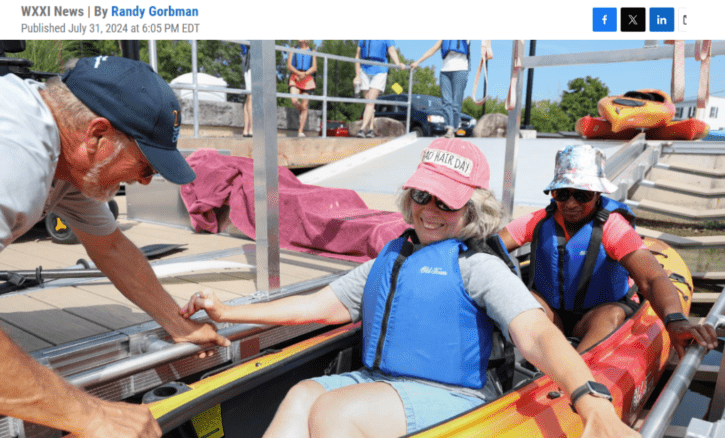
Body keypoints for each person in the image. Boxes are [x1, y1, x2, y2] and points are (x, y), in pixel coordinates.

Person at [181, 139, 643, 438]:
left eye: (448, 201)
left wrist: (589, 399)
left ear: (472, 208)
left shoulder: (477, 266)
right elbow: (320, 304)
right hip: (384, 381)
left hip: (452, 392)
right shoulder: (395, 255)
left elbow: (537, 333)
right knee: (304, 393)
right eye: (423, 196)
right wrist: (228, 312)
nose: (431, 211)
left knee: (336, 413)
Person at [0, 56, 229, 438]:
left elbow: (110, 247)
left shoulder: (65, 160)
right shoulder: (10, 155)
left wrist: (178, 324)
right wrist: (90, 415)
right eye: (146, 167)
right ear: (97, 136)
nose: (144, 183)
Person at [498, 144, 718, 357]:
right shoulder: (538, 221)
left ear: (597, 194)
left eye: (582, 195)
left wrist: (676, 321)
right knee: (523, 297)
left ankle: (577, 371)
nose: (571, 203)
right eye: (563, 193)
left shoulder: (613, 228)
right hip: (552, 314)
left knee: (612, 315)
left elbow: (651, 278)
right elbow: (491, 245)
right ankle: (536, 360)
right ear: (553, 193)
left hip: (596, 315)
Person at [411, 40, 470, 135]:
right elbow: (433, 49)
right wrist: (418, 61)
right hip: (445, 72)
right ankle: (449, 129)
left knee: (456, 103)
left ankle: (454, 128)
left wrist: (487, 48)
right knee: (446, 102)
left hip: (460, 70)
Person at [353, 40, 405, 138]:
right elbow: (357, 56)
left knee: (370, 102)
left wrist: (398, 63)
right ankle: (371, 130)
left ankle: (362, 129)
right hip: (364, 70)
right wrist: (357, 75)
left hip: (380, 70)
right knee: (368, 103)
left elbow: (392, 51)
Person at [287, 40, 317, 138]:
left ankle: (300, 131)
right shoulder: (293, 49)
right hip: (295, 77)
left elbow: (314, 67)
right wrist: (299, 74)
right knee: (294, 100)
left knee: (305, 103)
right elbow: (289, 65)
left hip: (307, 78)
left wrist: (304, 74)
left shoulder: (312, 51)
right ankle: (302, 109)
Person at [240, 43, 253, 137]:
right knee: (251, 97)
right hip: (250, 66)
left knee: (249, 98)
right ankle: (251, 128)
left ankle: (246, 129)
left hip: (250, 65)